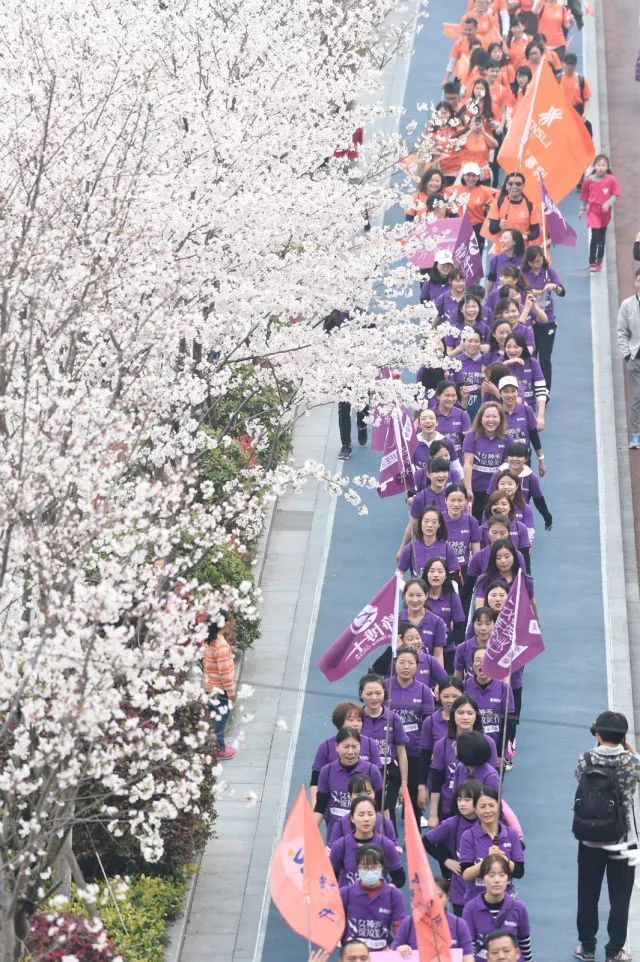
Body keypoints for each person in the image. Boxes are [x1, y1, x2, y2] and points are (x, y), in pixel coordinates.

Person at [573, 711, 640, 962]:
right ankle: (614, 952)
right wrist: (630, 751)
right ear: (623, 736)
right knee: (620, 899)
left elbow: (579, 779)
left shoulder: (585, 759)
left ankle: (587, 947)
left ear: (597, 734)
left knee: (587, 895)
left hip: (589, 838)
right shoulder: (631, 762)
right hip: (624, 839)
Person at [359, 673, 409, 831]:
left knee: (387, 811)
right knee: (363, 812)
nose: (374, 697)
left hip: (388, 774)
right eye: (369, 694)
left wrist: (404, 783)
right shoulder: (356, 719)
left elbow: (401, 752)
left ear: (384, 694)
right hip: (361, 774)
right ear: (361, 694)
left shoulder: (393, 719)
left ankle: (390, 846)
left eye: (378, 693)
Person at [314, 728, 384, 836]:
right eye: (346, 747)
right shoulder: (326, 772)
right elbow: (320, 806)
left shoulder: (372, 770)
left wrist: (387, 833)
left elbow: (383, 806)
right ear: (336, 747)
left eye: (354, 747)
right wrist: (311, 830)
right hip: (335, 835)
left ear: (360, 746)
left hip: (367, 835)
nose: (350, 752)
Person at [463, 854, 532, 961]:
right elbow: (469, 947)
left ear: (508, 879)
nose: (497, 880)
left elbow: (525, 946)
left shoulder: (519, 908)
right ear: (483, 878)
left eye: (502, 875)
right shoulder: (470, 909)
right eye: (491, 875)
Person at [310, 703, 381, 803]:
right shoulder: (325, 746)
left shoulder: (370, 744)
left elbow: (378, 780)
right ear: (340, 722)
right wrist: (315, 808)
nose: (356, 724)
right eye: (351, 720)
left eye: (359, 720)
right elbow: (315, 781)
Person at [340, 844, 406, 949]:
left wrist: (400, 946)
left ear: (381, 867)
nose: (370, 871)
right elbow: (335, 923)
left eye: (374, 866)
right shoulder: (345, 893)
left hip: (382, 954)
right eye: (365, 867)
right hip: (352, 954)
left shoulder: (394, 895)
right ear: (358, 868)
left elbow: (399, 927)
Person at [329, 795, 405, 886]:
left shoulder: (386, 844)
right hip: (348, 899)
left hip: (378, 899)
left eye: (370, 814)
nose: (366, 819)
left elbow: (399, 878)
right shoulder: (340, 846)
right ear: (352, 818)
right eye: (361, 815)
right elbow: (330, 878)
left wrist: (387, 890)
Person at [393, 874, 475, 957]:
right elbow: (394, 954)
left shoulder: (459, 925)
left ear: (447, 897)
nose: (433, 901)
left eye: (439, 896)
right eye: (428, 897)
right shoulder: (408, 923)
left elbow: (467, 957)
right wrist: (400, 949)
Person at [462, 401, 509, 519]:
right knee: (475, 522)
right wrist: (468, 489)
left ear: (501, 419)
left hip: (496, 492)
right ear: (480, 418)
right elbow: (468, 463)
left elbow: (507, 467)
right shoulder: (471, 436)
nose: (491, 420)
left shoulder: (507, 439)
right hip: (476, 490)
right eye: (487, 416)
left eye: (494, 416)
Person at [579, 154, 621, 272]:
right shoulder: (588, 180)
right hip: (593, 211)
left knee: (601, 237)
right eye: (598, 165)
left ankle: (599, 261)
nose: (601, 167)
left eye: (603, 165)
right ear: (594, 166)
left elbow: (615, 194)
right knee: (595, 236)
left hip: (605, 213)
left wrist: (608, 203)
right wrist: (582, 209)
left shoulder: (611, 179)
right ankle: (592, 261)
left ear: (607, 167)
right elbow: (584, 196)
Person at [204, 618, 237, 760]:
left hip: (209, 686)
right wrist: (231, 693)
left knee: (213, 717)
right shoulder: (222, 646)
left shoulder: (208, 641)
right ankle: (219, 748)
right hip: (220, 689)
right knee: (220, 719)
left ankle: (212, 746)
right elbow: (225, 674)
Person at [615, 268, 640, 449]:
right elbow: (621, 332)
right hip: (636, 358)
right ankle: (636, 435)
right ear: (635, 282)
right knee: (636, 398)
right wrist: (627, 355)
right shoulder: (627, 305)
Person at [560, 52, 592, 136]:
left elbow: (586, 99)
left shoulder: (581, 80)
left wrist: (585, 113)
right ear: (563, 64)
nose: (570, 67)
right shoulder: (557, 80)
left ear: (575, 65)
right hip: (562, 113)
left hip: (577, 112)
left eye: (572, 64)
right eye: (568, 64)